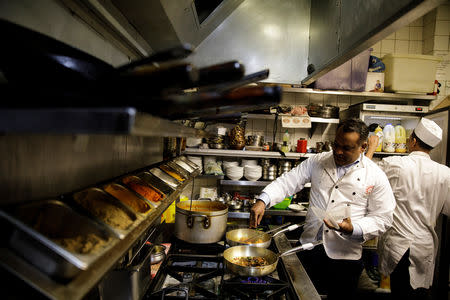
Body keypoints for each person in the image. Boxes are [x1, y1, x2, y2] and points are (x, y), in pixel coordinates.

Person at [250, 118, 396, 299]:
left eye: (347, 148)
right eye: (336, 144)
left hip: (345, 258)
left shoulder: (375, 175)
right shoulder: (318, 161)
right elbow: (289, 181)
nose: (338, 151)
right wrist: (263, 200)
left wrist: (354, 228)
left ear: (363, 147)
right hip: (309, 250)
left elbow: (383, 218)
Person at [366, 118, 450, 300]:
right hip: (424, 246)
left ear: (412, 141)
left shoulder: (395, 164)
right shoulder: (445, 173)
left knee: (399, 293)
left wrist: (371, 147)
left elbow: (364, 175)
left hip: (399, 245)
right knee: (418, 295)